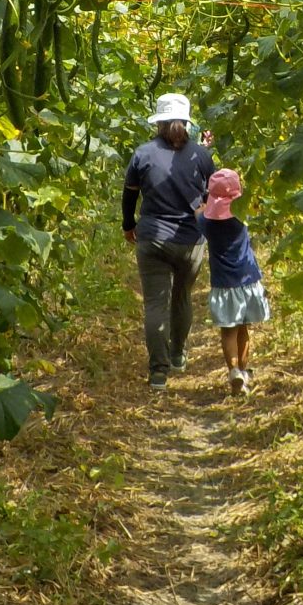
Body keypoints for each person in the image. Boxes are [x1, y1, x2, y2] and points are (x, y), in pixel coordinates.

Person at [122, 93, 215, 390]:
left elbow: (129, 195)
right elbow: (212, 197)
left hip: (152, 238)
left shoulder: (143, 153)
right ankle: (177, 355)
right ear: (187, 123)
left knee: (155, 304)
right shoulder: (201, 156)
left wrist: (128, 225)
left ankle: (158, 373)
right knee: (182, 296)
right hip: (191, 240)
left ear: (158, 122)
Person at [198, 168, 268, 396]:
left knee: (228, 332)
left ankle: (233, 371)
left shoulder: (206, 222)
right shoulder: (242, 216)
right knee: (244, 330)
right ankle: (244, 372)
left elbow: (198, 213)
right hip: (248, 279)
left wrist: (204, 204)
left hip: (224, 284)